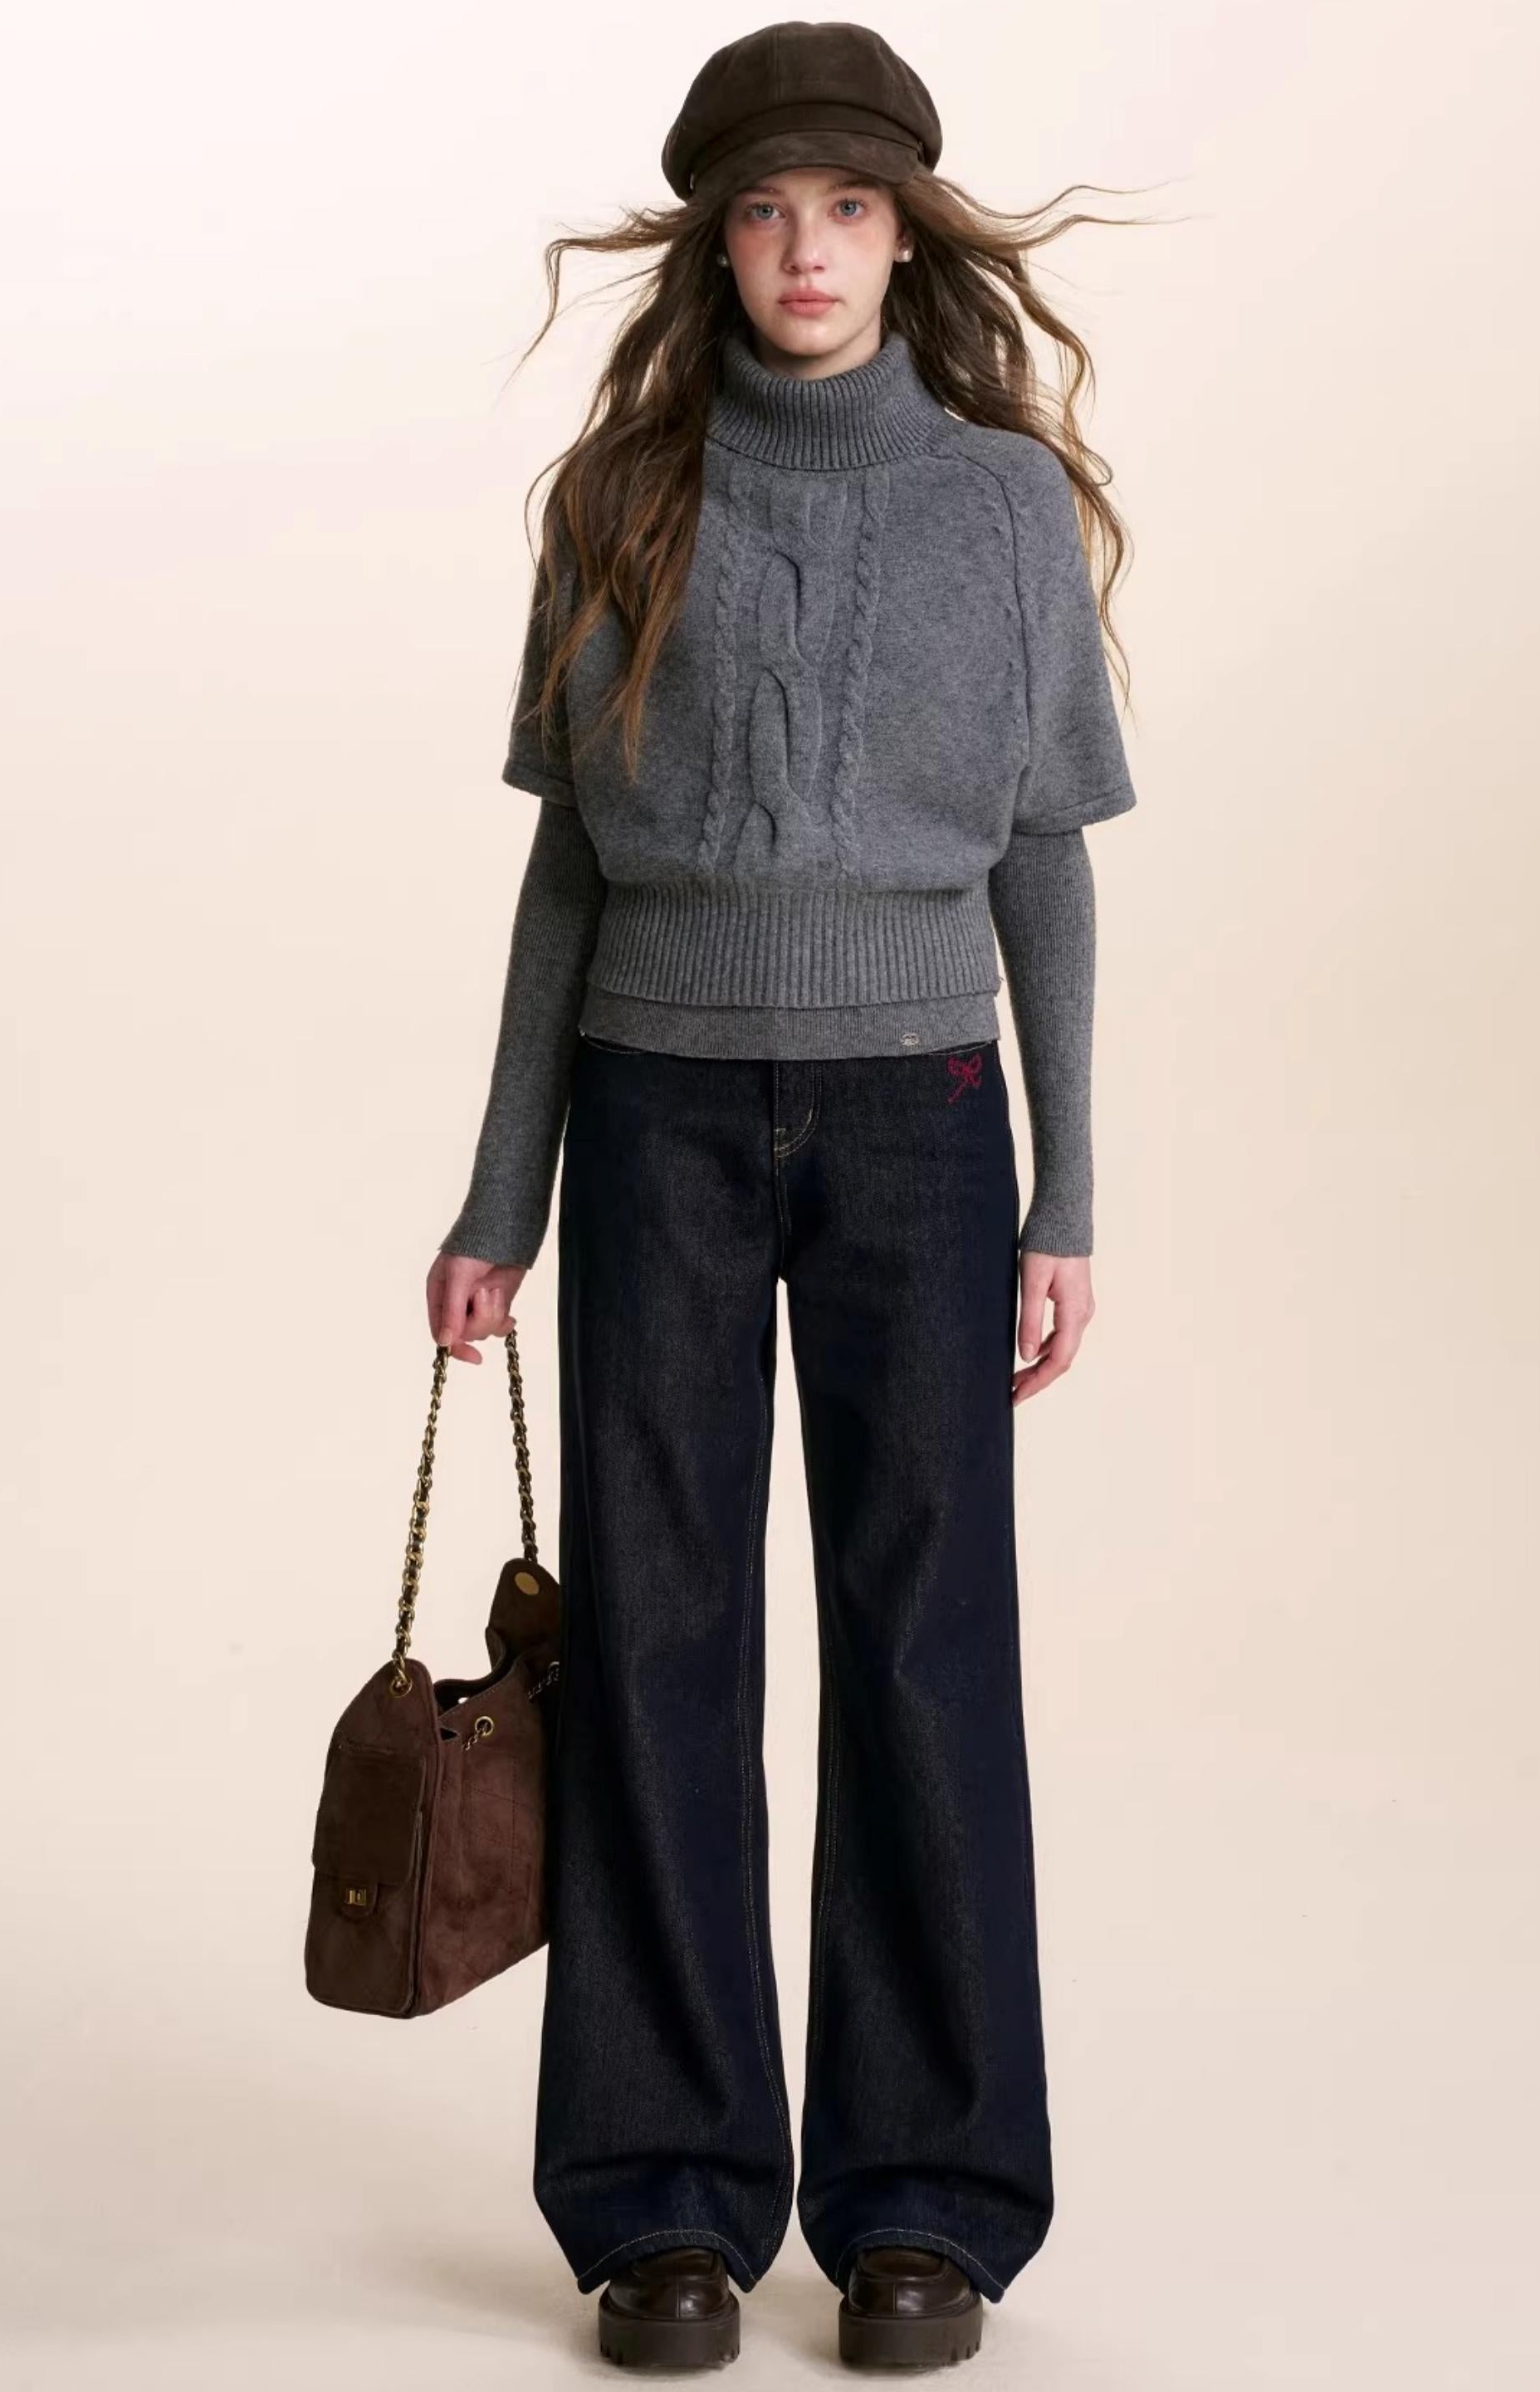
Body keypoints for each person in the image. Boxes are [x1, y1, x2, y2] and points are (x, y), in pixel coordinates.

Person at [425, 21, 1141, 2374]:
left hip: (924, 1122)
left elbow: (1044, 858)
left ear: (904, 235)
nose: (804, 249)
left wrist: (1067, 1194)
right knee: (654, 1641)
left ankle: (929, 2203)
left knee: (926, 1648)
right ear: (715, 242)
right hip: (654, 1116)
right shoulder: (622, 494)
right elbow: (565, 867)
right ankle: (663, 2202)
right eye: (762, 210)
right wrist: (500, 1199)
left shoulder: (1003, 510)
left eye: (844, 207)